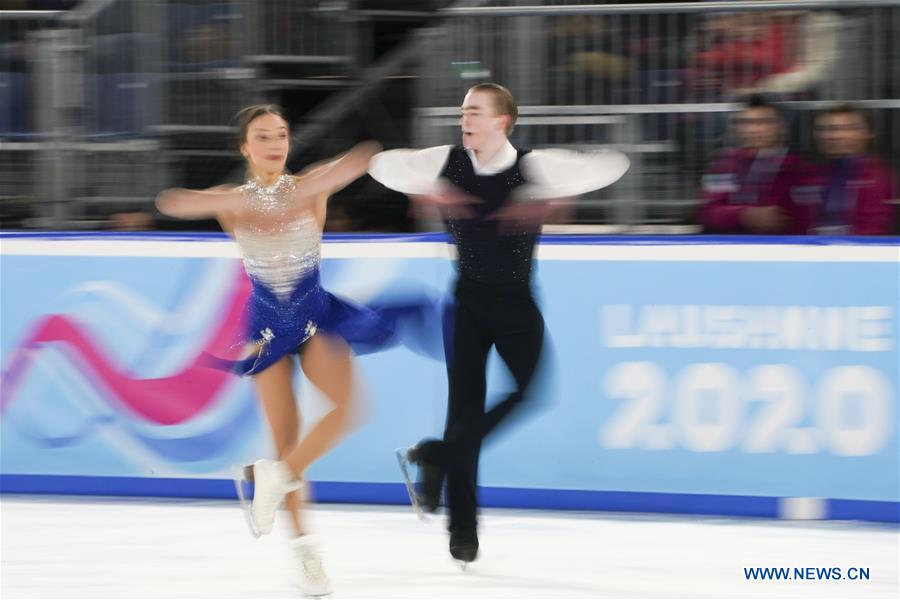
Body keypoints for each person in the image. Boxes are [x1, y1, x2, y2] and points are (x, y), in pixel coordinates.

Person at [157, 104, 422, 596]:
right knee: (286, 434)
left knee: (348, 408)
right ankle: (305, 556)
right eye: (263, 136)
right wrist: (204, 198)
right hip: (265, 326)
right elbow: (172, 202)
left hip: (315, 313)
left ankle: (271, 477)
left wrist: (372, 159)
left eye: (281, 134)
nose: (275, 143)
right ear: (245, 147)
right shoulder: (232, 200)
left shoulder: (310, 186)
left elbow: (362, 157)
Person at [368, 83, 629, 565]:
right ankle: (462, 528)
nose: (464, 118)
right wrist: (432, 188)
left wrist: (548, 194)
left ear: (502, 121)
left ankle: (439, 456)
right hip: (465, 303)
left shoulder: (535, 167)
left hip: (515, 302)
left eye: (474, 111)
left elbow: (612, 163)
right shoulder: (444, 161)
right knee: (463, 410)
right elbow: (381, 164)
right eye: (463, 110)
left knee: (530, 388)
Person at [700, 96, 805, 234]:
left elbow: (805, 218)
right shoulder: (725, 164)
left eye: (763, 122)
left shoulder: (798, 168)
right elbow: (710, 213)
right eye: (746, 122)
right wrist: (745, 215)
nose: (753, 129)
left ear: (781, 126)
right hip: (734, 246)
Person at [795, 104, 897, 235]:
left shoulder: (879, 177)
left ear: (869, 134)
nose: (833, 136)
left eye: (847, 128)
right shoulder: (806, 175)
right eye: (823, 129)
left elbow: (873, 230)